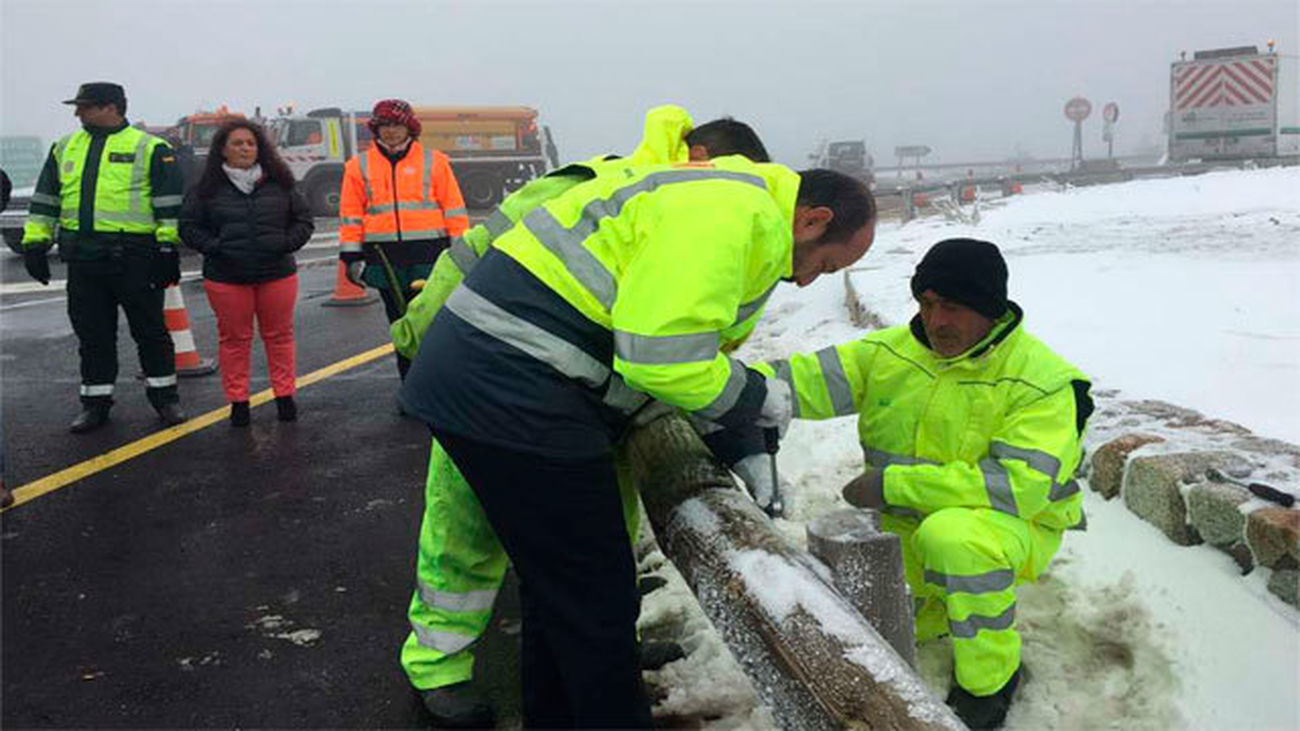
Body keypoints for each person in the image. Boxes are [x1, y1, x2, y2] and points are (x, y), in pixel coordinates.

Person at [399, 150, 876, 726]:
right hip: (514, 385)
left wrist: (735, 438)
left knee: (564, 591)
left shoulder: (729, 204)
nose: (806, 281)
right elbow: (660, 359)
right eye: (823, 265)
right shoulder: (734, 215)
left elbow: (674, 346)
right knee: (595, 601)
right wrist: (755, 399)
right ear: (813, 219)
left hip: (497, 375)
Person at [753, 238, 1093, 729]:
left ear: (989, 310)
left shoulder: (1040, 382)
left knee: (953, 540)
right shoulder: (891, 353)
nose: (936, 321)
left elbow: (1018, 488)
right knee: (889, 623)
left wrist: (895, 486)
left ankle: (992, 679)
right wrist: (727, 391)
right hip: (907, 526)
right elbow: (797, 381)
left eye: (952, 307)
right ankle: (935, 612)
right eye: (927, 304)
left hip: (1009, 526)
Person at [21, 82, 187, 433]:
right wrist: (35, 244)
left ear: (111, 107)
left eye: (85, 106)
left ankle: (165, 400)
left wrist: (167, 246)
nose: (78, 113)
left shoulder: (150, 148)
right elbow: (46, 200)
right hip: (83, 260)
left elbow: (168, 204)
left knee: (151, 332)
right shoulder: (64, 146)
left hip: (135, 257)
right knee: (93, 335)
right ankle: (95, 404)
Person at [179, 120, 314, 426]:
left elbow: (303, 220)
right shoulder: (206, 189)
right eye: (237, 143)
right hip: (227, 277)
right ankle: (238, 402)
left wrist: (285, 243)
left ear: (260, 148)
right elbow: (188, 227)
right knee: (234, 340)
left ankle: (284, 396)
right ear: (223, 149)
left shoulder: (280, 182)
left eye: (251, 143)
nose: (245, 148)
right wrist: (215, 246)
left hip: (276, 273)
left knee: (279, 336)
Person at [338, 99, 469, 381]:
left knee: (430, 322)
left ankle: (435, 384)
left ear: (409, 126)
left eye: (396, 125)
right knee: (399, 324)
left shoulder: (435, 162)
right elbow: (351, 215)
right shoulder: (357, 166)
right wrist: (351, 256)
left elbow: (454, 209)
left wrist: (461, 252)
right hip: (384, 258)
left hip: (429, 256)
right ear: (376, 129)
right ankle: (410, 385)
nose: (391, 131)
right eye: (384, 125)